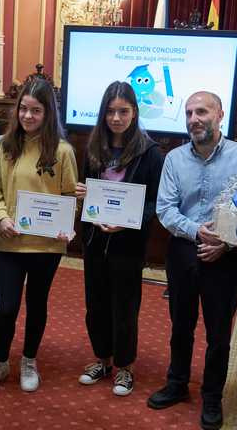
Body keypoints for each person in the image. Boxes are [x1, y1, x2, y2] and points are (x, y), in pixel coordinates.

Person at [149, 91, 237, 430]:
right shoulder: (174, 159)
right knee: (181, 324)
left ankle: (212, 395)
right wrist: (198, 232)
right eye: (189, 113)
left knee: (219, 333)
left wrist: (224, 242)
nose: (195, 118)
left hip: (225, 255)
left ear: (220, 115)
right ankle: (177, 383)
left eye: (202, 111)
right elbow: (165, 209)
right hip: (183, 250)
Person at [0, 79, 78, 392]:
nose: (28, 116)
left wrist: (67, 223)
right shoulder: (6, 147)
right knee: (6, 307)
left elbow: (70, 196)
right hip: (11, 242)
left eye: (36, 110)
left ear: (48, 113)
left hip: (46, 246)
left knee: (36, 305)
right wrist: (3, 218)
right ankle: (0, 361)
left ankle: (29, 360)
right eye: (23, 109)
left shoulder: (62, 151)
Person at [74, 81, 163, 396]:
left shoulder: (150, 153)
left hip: (128, 245)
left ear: (135, 112)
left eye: (123, 111)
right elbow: (85, 188)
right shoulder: (94, 146)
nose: (116, 117)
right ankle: (102, 359)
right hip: (96, 241)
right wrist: (82, 193)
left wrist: (128, 223)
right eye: (110, 111)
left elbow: (155, 202)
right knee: (95, 304)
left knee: (124, 306)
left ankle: (125, 367)